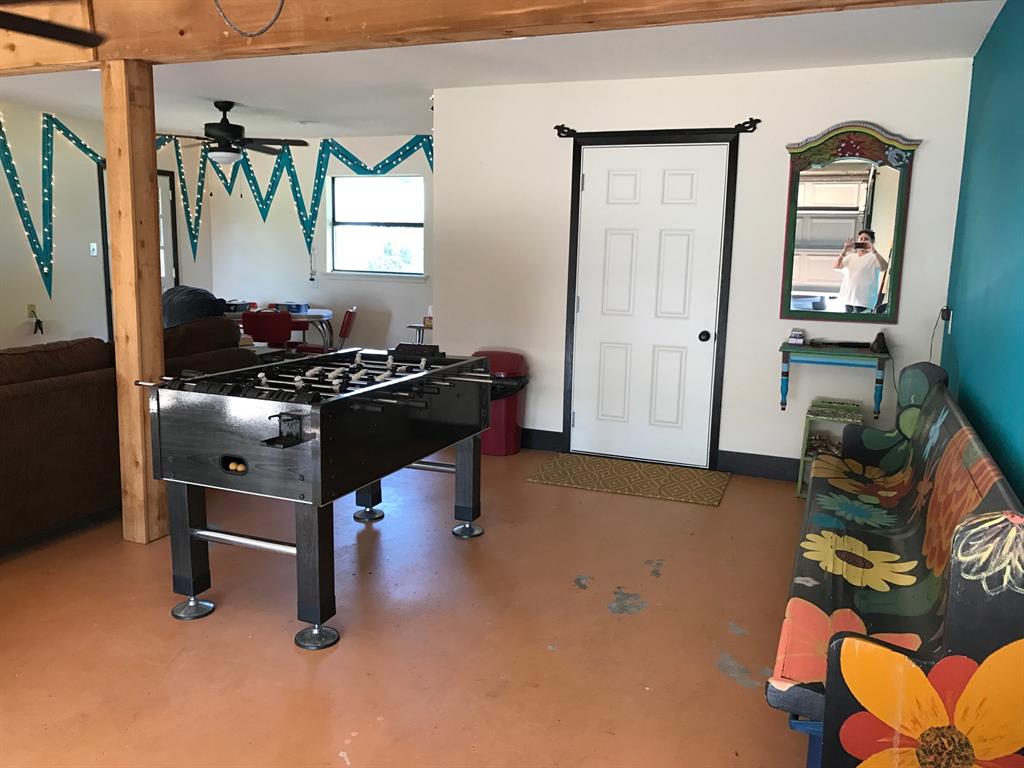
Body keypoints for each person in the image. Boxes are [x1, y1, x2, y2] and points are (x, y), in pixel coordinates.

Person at [834, 229, 888, 313]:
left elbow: (884, 267)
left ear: (872, 241)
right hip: (848, 301)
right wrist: (844, 250)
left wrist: (873, 250)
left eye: (866, 239)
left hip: (865, 302)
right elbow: (836, 267)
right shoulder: (851, 257)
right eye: (861, 239)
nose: (863, 241)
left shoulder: (874, 257)